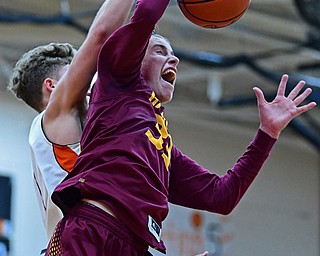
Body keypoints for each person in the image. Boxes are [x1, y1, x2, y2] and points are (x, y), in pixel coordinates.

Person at [46, 0, 317, 255]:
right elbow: (147, 15)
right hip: (92, 229)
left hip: (135, 246)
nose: (173, 59)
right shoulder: (119, 83)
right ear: (134, 56)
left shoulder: (161, 147)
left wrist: (267, 134)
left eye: (173, 54)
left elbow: (221, 196)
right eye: (160, 51)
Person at [8, 0, 135, 241]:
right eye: (75, 73)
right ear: (52, 86)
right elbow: (100, 35)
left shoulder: (64, 131)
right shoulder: (53, 116)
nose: (87, 83)